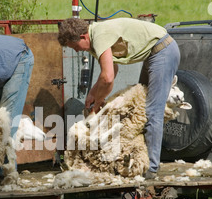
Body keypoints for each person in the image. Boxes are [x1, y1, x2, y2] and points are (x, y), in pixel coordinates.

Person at [57, 17, 180, 179]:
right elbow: (113, 70)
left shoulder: (99, 36)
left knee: (151, 111)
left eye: (75, 47)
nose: (77, 51)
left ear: (83, 37)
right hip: (153, 53)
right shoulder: (94, 39)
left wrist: (99, 102)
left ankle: (151, 168)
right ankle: (138, 160)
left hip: (163, 51)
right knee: (140, 109)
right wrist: (93, 93)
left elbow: (108, 78)